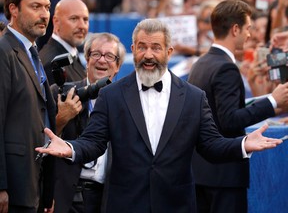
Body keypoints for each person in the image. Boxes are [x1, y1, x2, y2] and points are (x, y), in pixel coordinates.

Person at [36, 18, 283, 213]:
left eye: (156, 47)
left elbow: (211, 145)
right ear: (133, 49)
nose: (149, 54)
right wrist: (70, 147)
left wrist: (242, 144)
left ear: (169, 51)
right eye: (142, 47)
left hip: (176, 203)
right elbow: (93, 141)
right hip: (126, 204)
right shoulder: (112, 95)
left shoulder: (193, 97)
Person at [187, 0, 288, 213]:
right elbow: (229, 120)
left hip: (203, 172)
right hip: (224, 175)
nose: (250, 34)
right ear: (235, 29)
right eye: (248, 28)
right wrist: (272, 101)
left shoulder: (201, 63)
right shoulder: (226, 67)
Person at [50, 32, 126, 213]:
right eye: (96, 54)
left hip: (107, 198)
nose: (102, 60)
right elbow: (39, 141)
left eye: (109, 56)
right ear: (87, 59)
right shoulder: (61, 93)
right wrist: (61, 119)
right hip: (65, 197)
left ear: (118, 66)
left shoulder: (127, 102)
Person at [0, 0, 56, 213]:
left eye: (47, 7)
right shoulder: (4, 52)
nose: (44, 14)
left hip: (33, 186)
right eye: (36, 7)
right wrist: (1, 185)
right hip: (13, 189)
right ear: (13, 9)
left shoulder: (31, 53)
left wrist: (47, 191)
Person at [39, 0, 89, 85]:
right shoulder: (52, 64)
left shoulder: (71, 54)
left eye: (85, 20)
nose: (82, 26)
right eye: (74, 19)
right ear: (56, 22)